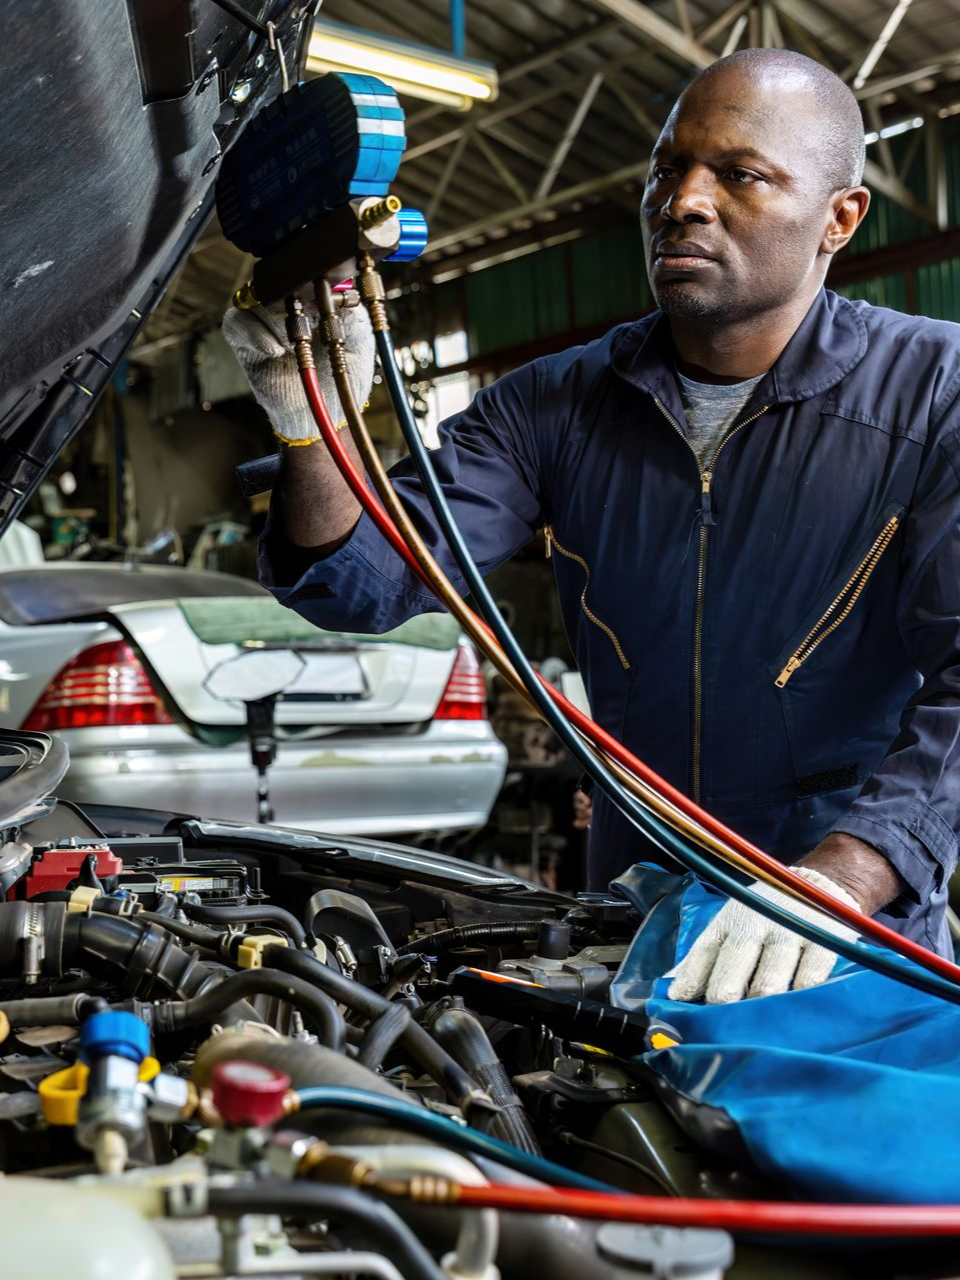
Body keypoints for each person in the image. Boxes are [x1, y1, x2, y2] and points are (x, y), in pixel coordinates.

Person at [224, 49, 960, 1004]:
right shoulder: (553, 407)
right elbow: (359, 582)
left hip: (848, 947)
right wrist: (310, 417)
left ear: (839, 219)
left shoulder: (935, 391)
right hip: (630, 923)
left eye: (738, 174)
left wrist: (840, 881)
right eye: (668, 169)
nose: (682, 200)